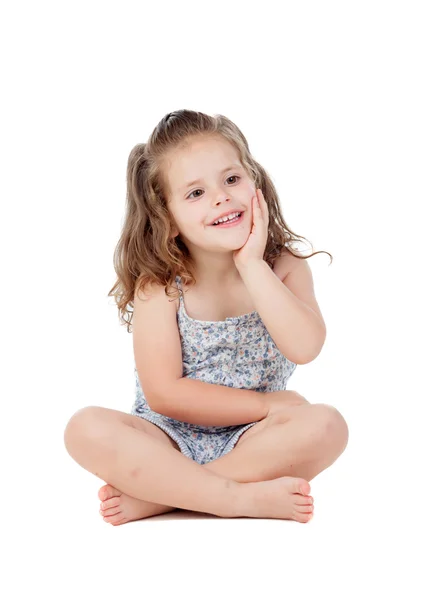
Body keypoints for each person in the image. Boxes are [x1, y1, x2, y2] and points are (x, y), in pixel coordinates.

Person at [64, 109, 348, 525]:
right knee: (84, 428)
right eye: (195, 193)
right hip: (169, 437)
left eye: (232, 179)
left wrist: (253, 265)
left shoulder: (283, 268)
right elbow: (164, 394)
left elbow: (306, 347)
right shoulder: (161, 286)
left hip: (254, 439)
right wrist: (267, 405)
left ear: (257, 183)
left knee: (327, 426)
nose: (221, 197)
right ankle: (234, 498)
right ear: (168, 217)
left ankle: (165, 497)